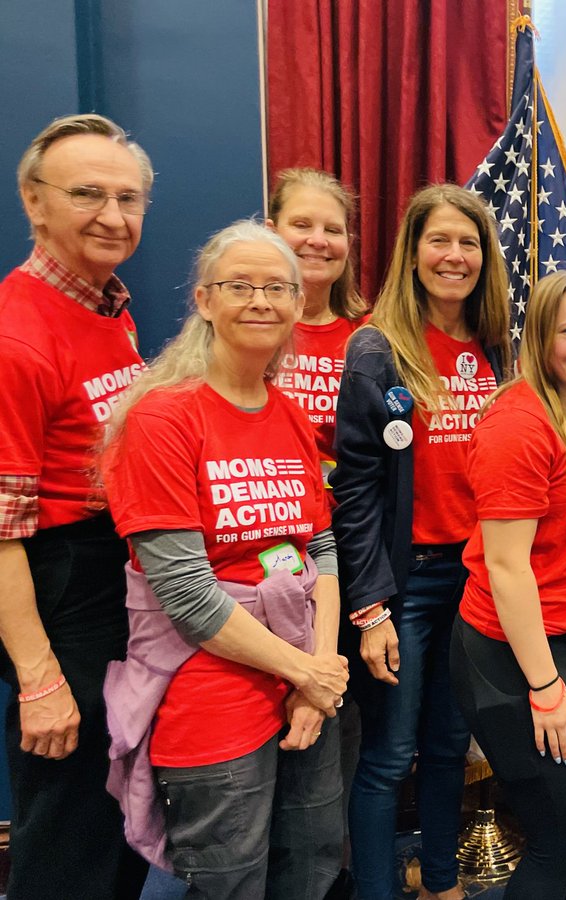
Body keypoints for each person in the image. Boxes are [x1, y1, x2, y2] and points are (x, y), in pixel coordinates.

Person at [100, 220, 350, 896]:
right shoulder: (162, 418)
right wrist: (308, 672)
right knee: (227, 877)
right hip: (210, 686)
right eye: (240, 286)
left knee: (311, 865)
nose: (261, 301)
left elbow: (320, 547)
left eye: (278, 288)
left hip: (303, 680)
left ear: (300, 304)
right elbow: (183, 589)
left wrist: (316, 676)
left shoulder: (291, 413)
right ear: (205, 300)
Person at [332, 183, 512, 900]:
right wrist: (371, 608)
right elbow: (355, 492)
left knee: (446, 749)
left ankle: (441, 884)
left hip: (475, 581)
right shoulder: (377, 349)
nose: (454, 255)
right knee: (389, 755)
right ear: (413, 253)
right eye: (439, 240)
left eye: (468, 242)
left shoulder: (499, 345)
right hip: (406, 585)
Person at [0, 113, 153, 899]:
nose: (112, 215)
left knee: (114, 812)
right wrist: (38, 677)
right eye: (87, 194)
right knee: (69, 828)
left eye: (128, 199)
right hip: (59, 585)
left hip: (110, 575)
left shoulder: (106, 307)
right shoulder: (16, 336)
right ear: (34, 201)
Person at [450, 270, 566, 899]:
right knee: (561, 836)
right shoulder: (518, 425)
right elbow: (506, 567)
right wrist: (545, 686)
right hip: (512, 655)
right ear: (538, 338)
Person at [267, 167, 371, 484]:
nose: (317, 240)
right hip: (268, 519)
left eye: (333, 230)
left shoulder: (371, 336)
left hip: (350, 521)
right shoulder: (242, 328)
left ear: (348, 243)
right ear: (271, 232)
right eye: (301, 225)